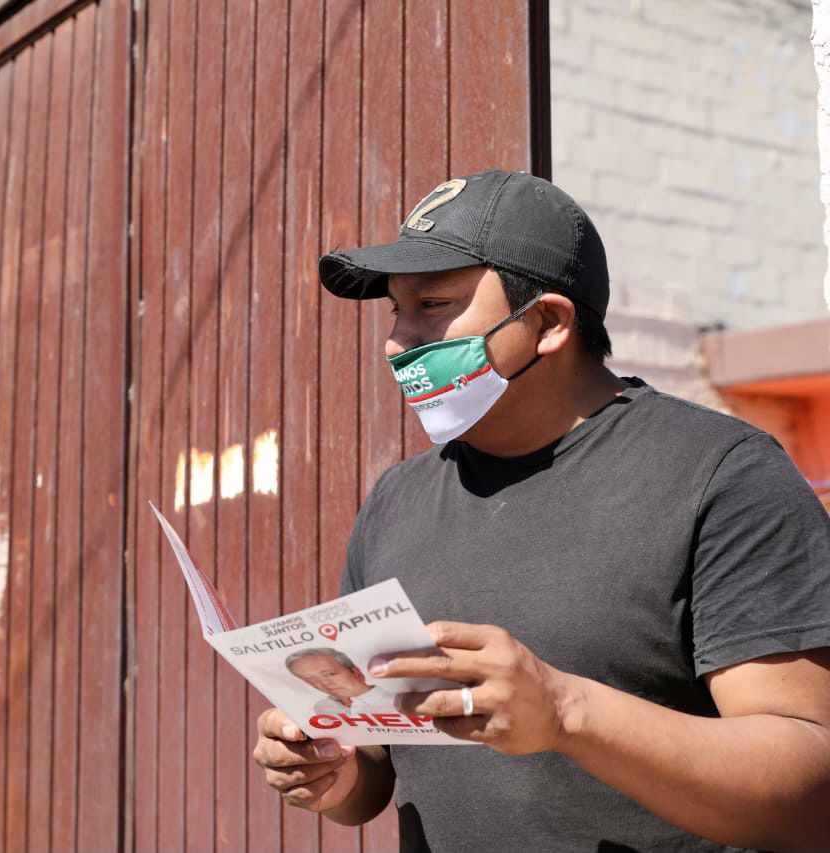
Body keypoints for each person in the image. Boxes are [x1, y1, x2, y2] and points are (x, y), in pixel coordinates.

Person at [251, 169, 830, 852]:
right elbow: (376, 768)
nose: (395, 343)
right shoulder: (396, 500)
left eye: (432, 304)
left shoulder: (721, 474)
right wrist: (331, 770)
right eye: (394, 312)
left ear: (549, 322)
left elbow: (812, 792)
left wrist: (563, 710)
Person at [285, 648, 399, 715]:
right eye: (311, 680)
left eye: (330, 674)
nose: (324, 683)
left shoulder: (398, 703)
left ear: (356, 673)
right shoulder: (322, 708)